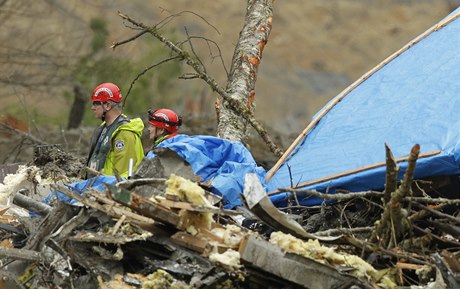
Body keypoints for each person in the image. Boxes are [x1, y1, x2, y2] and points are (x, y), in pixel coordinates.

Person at [86, 82, 144, 179]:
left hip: (105, 190)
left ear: (108, 105)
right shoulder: (104, 128)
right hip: (94, 186)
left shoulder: (124, 133)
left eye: (96, 103)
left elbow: (122, 176)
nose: (92, 108)